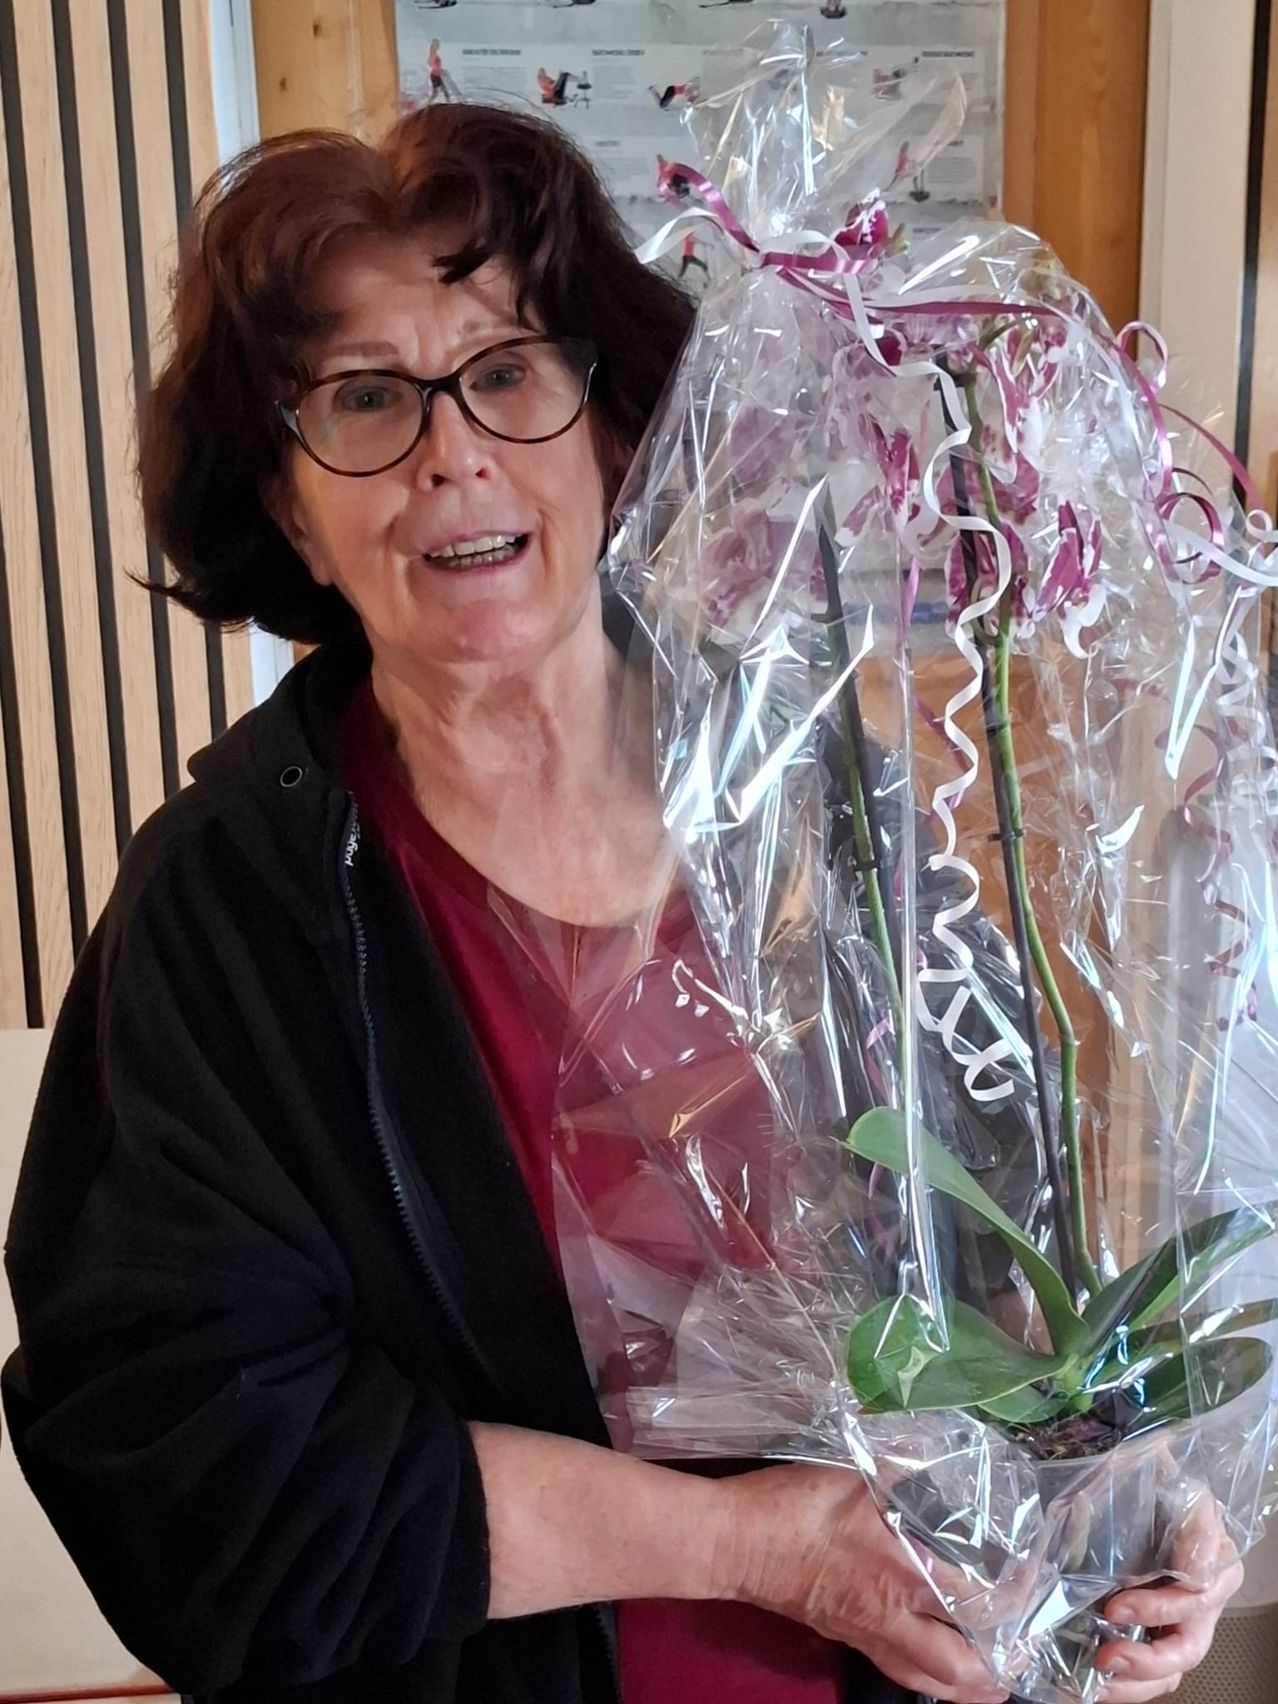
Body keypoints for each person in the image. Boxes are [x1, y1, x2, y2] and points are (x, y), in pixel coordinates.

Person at [1, 101, 1240, 1704]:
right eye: (365, 397)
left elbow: (1005, 1240)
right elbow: (205, 1483)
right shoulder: (226, 916)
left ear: (607, 423)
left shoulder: (818, 792)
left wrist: (1119, 1493)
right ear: (288, 502)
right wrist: (753, 1549)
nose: (452, 452)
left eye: (505, 371)